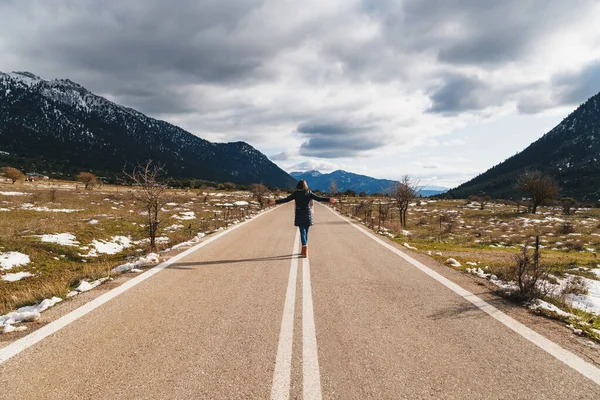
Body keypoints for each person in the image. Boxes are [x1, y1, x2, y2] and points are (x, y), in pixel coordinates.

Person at [269, 179, 336, 258]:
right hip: (307, 214)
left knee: (302, 231)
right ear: (305, 186)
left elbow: (286, 199)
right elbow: (319, 198)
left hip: (299, 214)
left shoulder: (296, 194)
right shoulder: (309, 193)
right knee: (306, 232)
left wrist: (275, 202)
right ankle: (304, 249)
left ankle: (304, 248)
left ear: (298, 185)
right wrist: (328, 199)